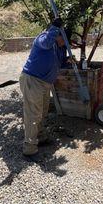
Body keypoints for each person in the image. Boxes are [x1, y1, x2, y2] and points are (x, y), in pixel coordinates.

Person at [19, 17, 72, 157]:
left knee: (42, 112)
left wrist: (68, 61)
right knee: (33, 114)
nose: (64, 43)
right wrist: (54, 27)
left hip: (45, 83)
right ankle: (29, 148)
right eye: (63, 40)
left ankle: (40, 137)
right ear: (59, 35)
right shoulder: (44, 38)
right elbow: (47, 43)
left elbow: (58, 64)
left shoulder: (61, 49)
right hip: (33, 80)